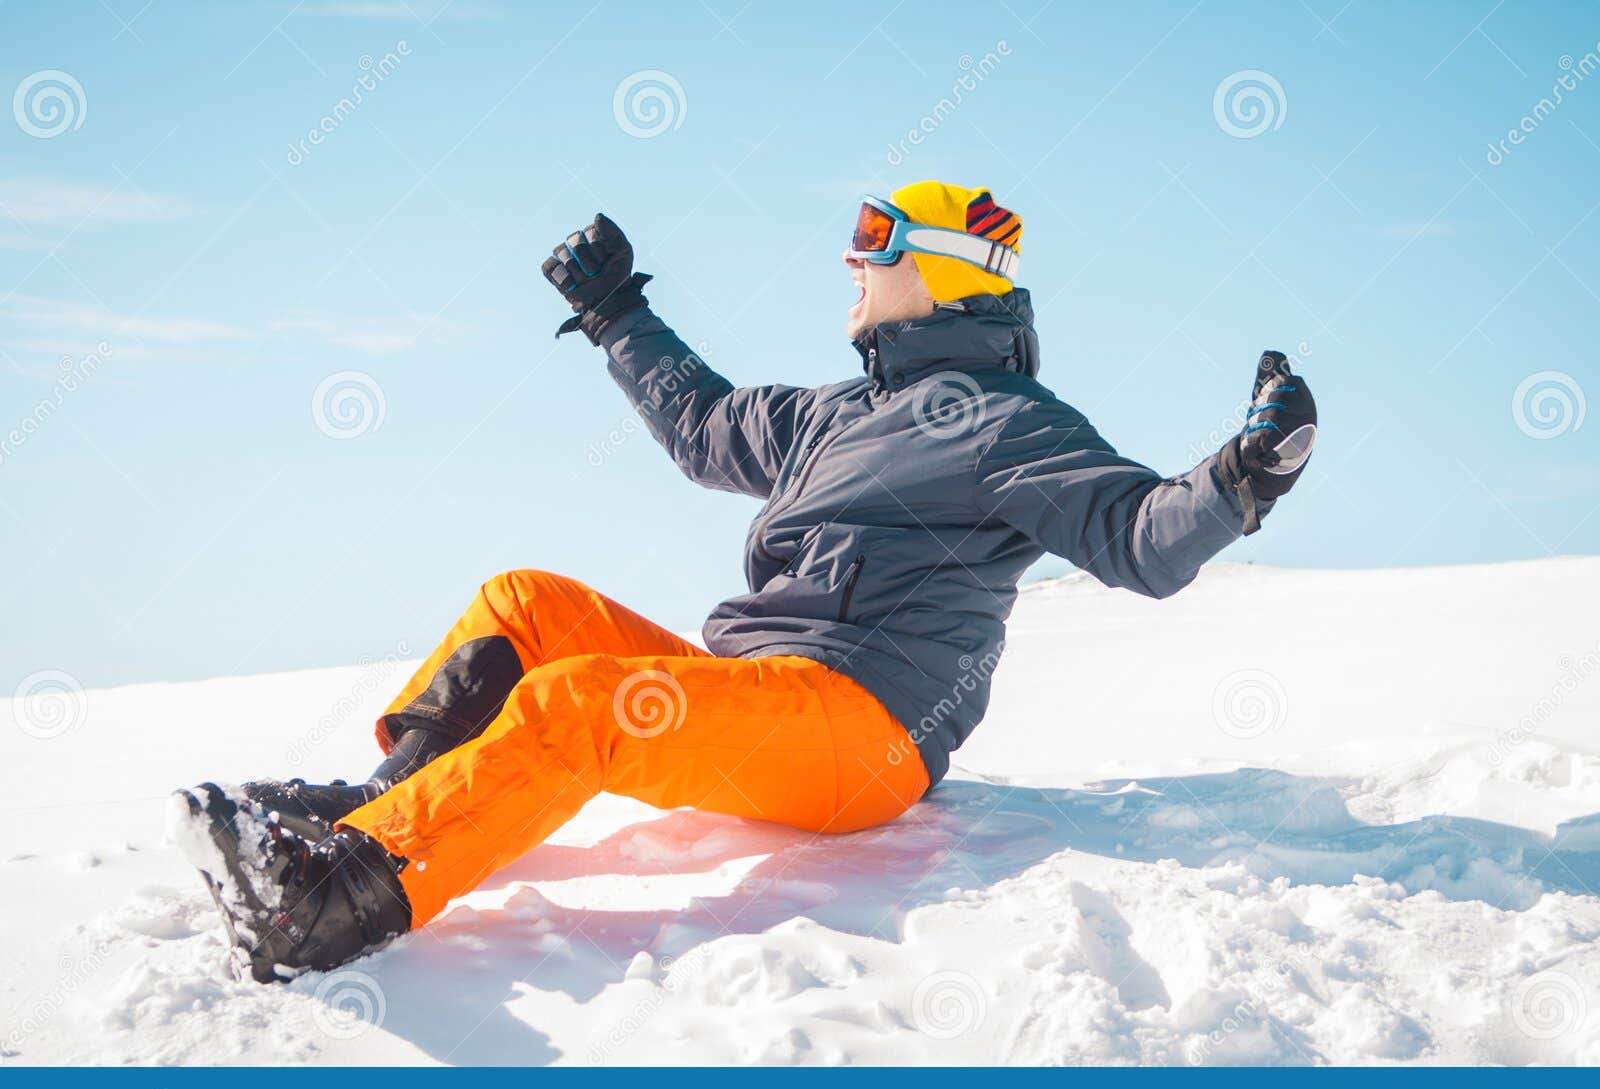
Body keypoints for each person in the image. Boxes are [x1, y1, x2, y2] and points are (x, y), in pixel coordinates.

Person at [173, 180, 1317, 983]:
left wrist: (1241, 475)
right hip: (763, 686)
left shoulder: (1010, 420)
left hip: (860, 727)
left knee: (583, 702)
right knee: (525, 603)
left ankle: (327, 906)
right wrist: (616, 311)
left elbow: (1139, 536)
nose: (849, 257)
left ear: (933, 272)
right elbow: (703, 423)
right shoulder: (839, 411)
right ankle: (382, 805)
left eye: (873, 237)